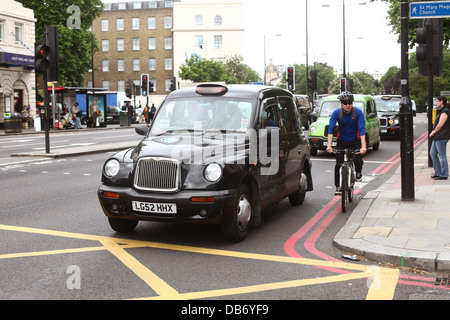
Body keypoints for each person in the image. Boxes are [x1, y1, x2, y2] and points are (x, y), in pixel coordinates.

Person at [326, 91, 367, 194]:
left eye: (350, 103)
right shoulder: (337, 113)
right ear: (341, 103)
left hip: (355, 140)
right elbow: (330, 129)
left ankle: (358, 172)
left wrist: (363, 146)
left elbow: (362, 129)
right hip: (342, 141)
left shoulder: (358, 112)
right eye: (345, 103)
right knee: (338, 164)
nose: (348, 105)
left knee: (358, 159)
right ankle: (338, 187)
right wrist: (329, 145)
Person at [429, 95, 450, 180]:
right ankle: (437, 172)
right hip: (438, 136)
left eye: (437, 101)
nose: (436, 103)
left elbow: (440, 125)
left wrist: (433, 132)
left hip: (442, 136)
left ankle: (444, 174)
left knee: (442, 155)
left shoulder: (445, 111)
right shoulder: (441, 111)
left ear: (442, 102)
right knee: (433, 153)